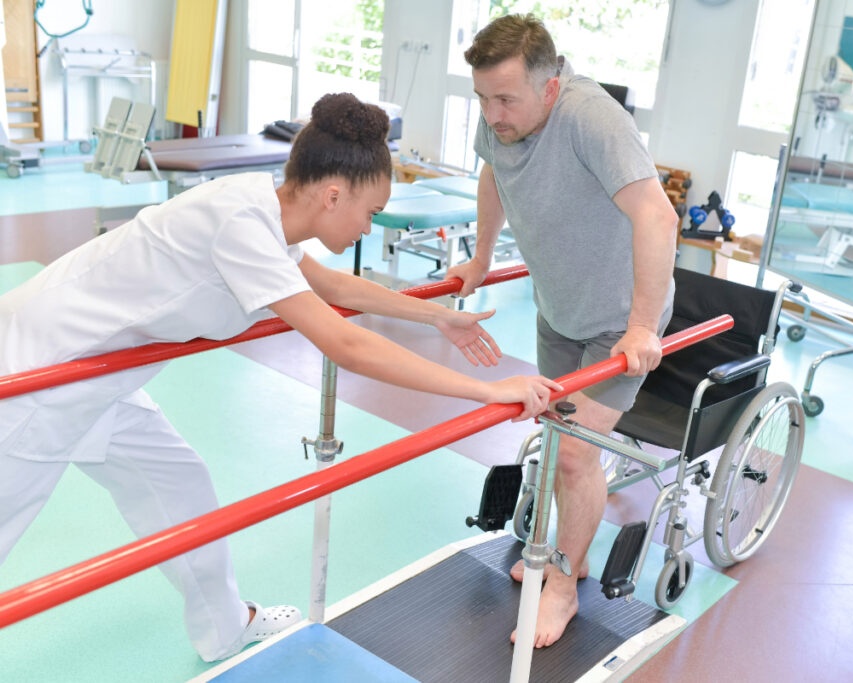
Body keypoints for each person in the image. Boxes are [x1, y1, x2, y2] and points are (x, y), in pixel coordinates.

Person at [0, 93, 561, 662]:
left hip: (98, 378)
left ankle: (224, 625)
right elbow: (343, 343)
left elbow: (335, 287)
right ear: (333, 194)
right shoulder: (242, 225)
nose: (369, 226)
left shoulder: (262, 211)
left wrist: (438, 315)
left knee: (179, 485)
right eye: (370, 212)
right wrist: (487, 391)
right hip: (37, 375)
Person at [447, 14, 679, 648]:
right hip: (559, 310)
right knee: (554, 442)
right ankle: (558, 555)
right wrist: (483, 257)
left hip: (614, 322)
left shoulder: (591, 119)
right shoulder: (500, 116)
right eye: (483, 99)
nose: (493, 114)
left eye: (506, 100)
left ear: (550, 87)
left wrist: (639, 327)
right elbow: (492, 173)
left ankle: (565, 587)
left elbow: (659, 218)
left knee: (576, 454)